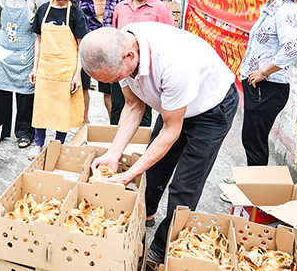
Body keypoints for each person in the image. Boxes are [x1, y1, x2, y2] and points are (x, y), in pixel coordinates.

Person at [80, 23, 238, 269]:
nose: (117, 82)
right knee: (154, 169)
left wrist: (129, 174)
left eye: (116, 78)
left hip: (210, 109)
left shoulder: (173, 62)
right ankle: (145, 215)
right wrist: (113, 153)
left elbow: (171, 131)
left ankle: (161, 249)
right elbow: (133, 106)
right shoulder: (122, 45)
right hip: (173, 106)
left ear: (129, 56)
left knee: (184, 186)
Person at [239, 0, 297, 166]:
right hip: (260, 86)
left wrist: (264, 72)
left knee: (254, 141)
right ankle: (249, 181)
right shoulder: (272, 7)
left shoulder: (285, 11)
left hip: (267, 88)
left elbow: (293, 48)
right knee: (252, 138)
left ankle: (253, 193)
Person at [28, 0, 89, 160]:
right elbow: (38, 40)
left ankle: (58, 145)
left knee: (63, 110)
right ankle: (38, 144)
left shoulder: (76, 13)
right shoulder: (43, 10)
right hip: (45, 68)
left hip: (66, 70)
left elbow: (81, 47)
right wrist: (34, 67)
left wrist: (77, 74)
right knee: (41, 107)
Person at [110, 0, 175, 127]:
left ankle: (139, 148)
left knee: (143, 110)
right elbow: (116, 35)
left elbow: (169, 41)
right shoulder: (121, 7)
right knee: (118, 106)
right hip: (122, 68)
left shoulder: (160, 9)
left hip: (147, 70)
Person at [0, 0, 44, 148]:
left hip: (26, 50)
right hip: (4, 48)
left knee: (26, 94)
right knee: (1, 92)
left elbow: (40, 24)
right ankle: (0, 130)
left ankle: (24, 132)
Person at [74, 0, 123, 123]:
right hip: (86, 49)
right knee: (83, 88)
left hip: (111, 50)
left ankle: (112, 126)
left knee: (110, 92)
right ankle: (84, 123)